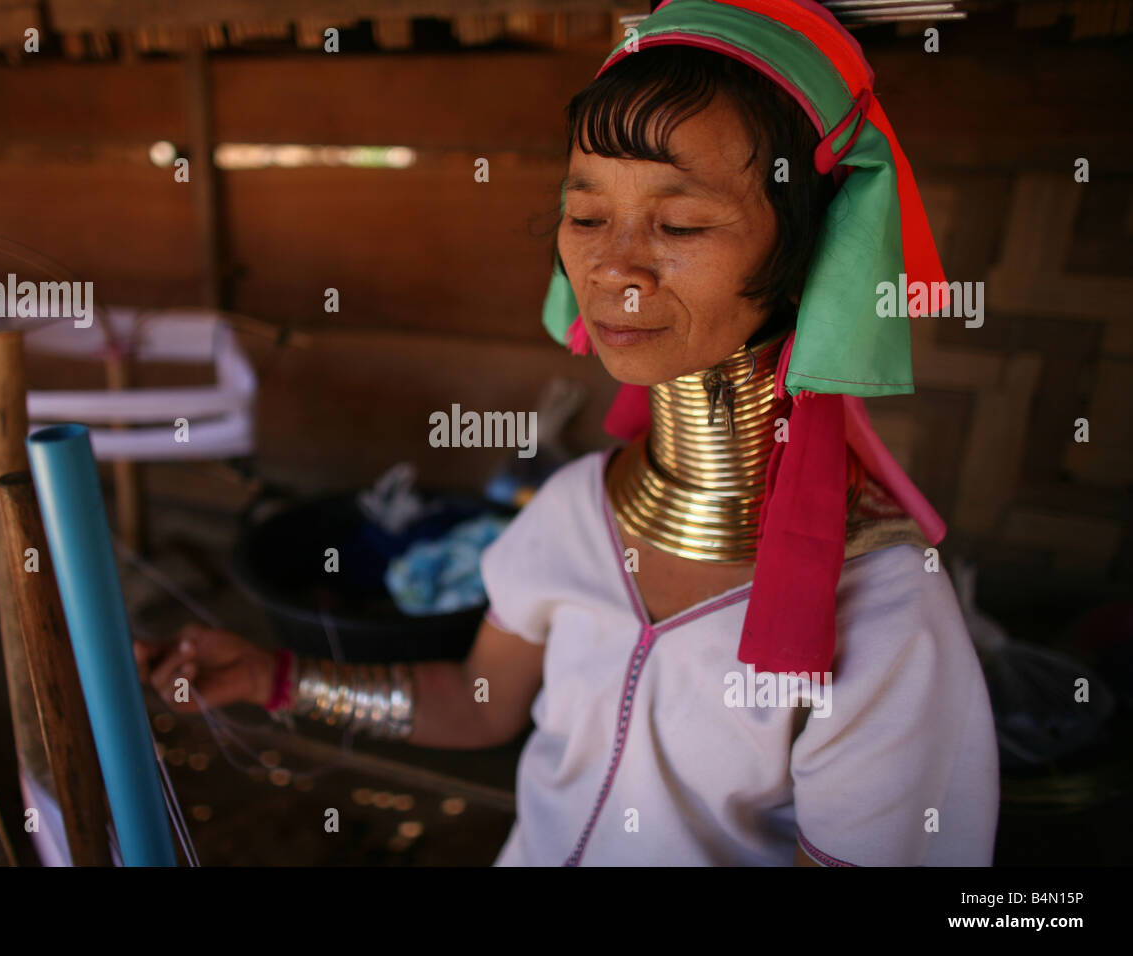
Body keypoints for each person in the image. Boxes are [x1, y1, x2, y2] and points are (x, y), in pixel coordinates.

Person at [135, 0, 999, 867]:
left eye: (682, 224)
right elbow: (481, 703)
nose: (612, 266)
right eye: (586, 217)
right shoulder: (574, 509)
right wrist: (272, 678)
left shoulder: (887, 615)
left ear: (809, 253)